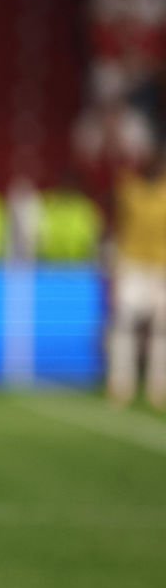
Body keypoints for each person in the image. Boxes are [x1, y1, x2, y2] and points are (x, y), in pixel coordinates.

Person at [106, 153, 166, 409]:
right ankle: (121, 383)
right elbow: (117, 224)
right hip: (132, 263)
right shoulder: (129, 188)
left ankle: (159, 385)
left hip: (162, 266)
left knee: (162, 329)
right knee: (123, 325)